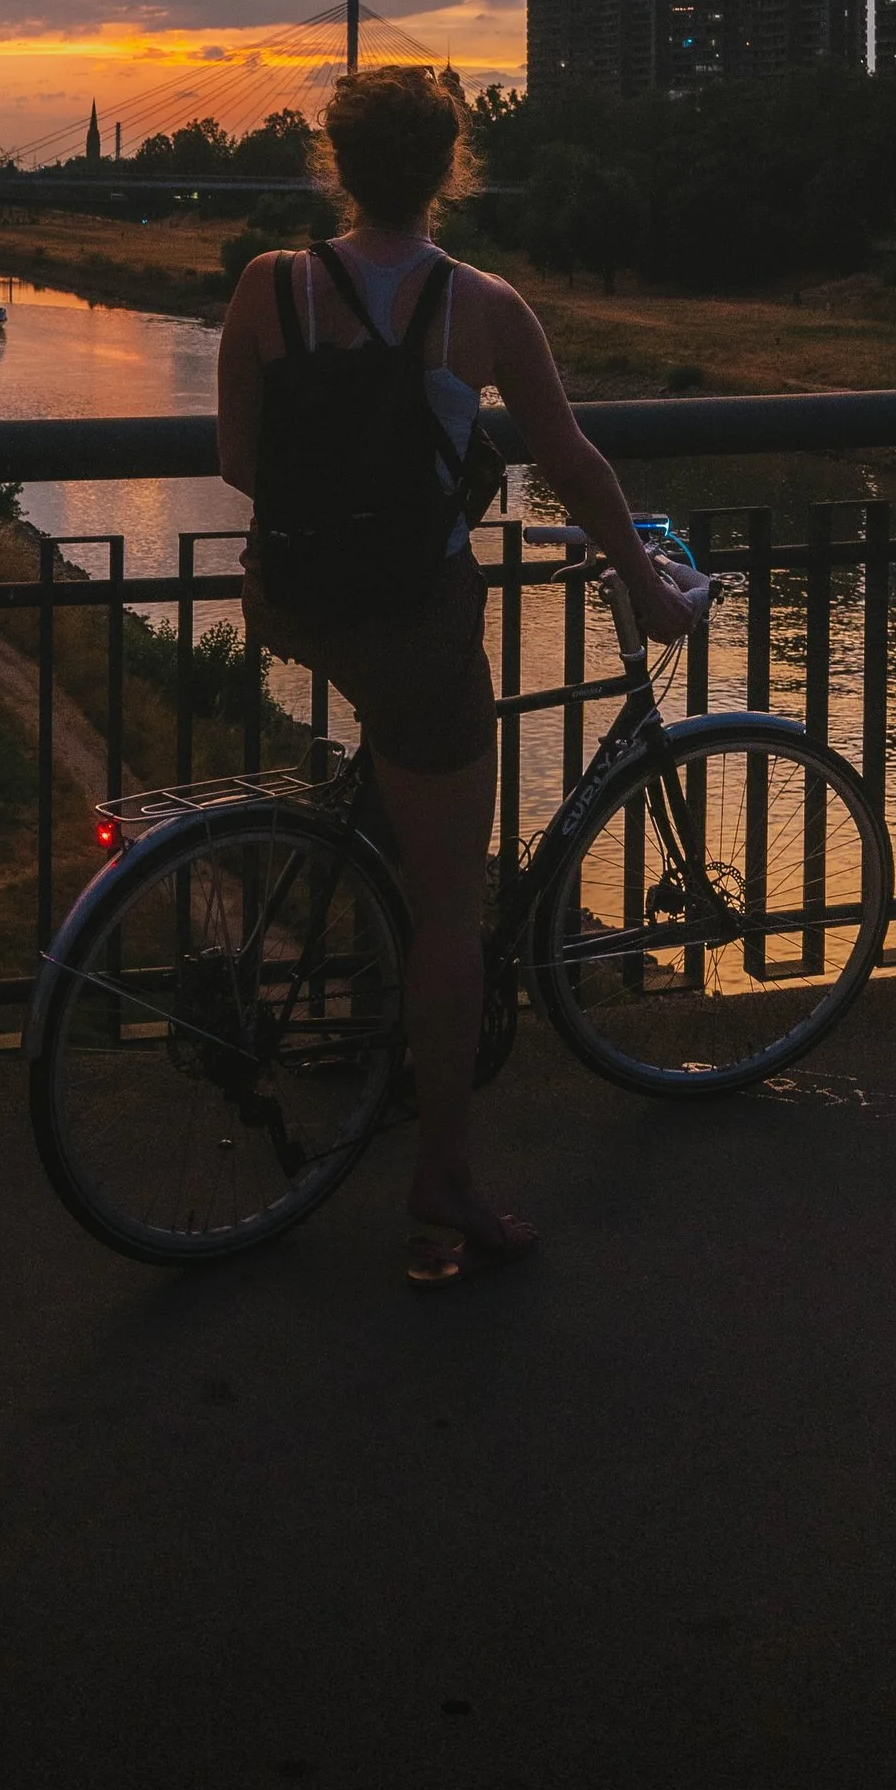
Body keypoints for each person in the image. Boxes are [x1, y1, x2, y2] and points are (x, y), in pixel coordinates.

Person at [215, 65, 698, 1290]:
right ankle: (442, 1183)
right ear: (449, 171)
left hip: (294, 601)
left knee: (394, 786)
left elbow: (238, 460)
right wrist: (645, 587)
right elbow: (572, 464)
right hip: (415, 626)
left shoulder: (268, 287)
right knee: (450, 916)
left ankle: (361, 949)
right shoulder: (479, 306)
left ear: (335, 164)